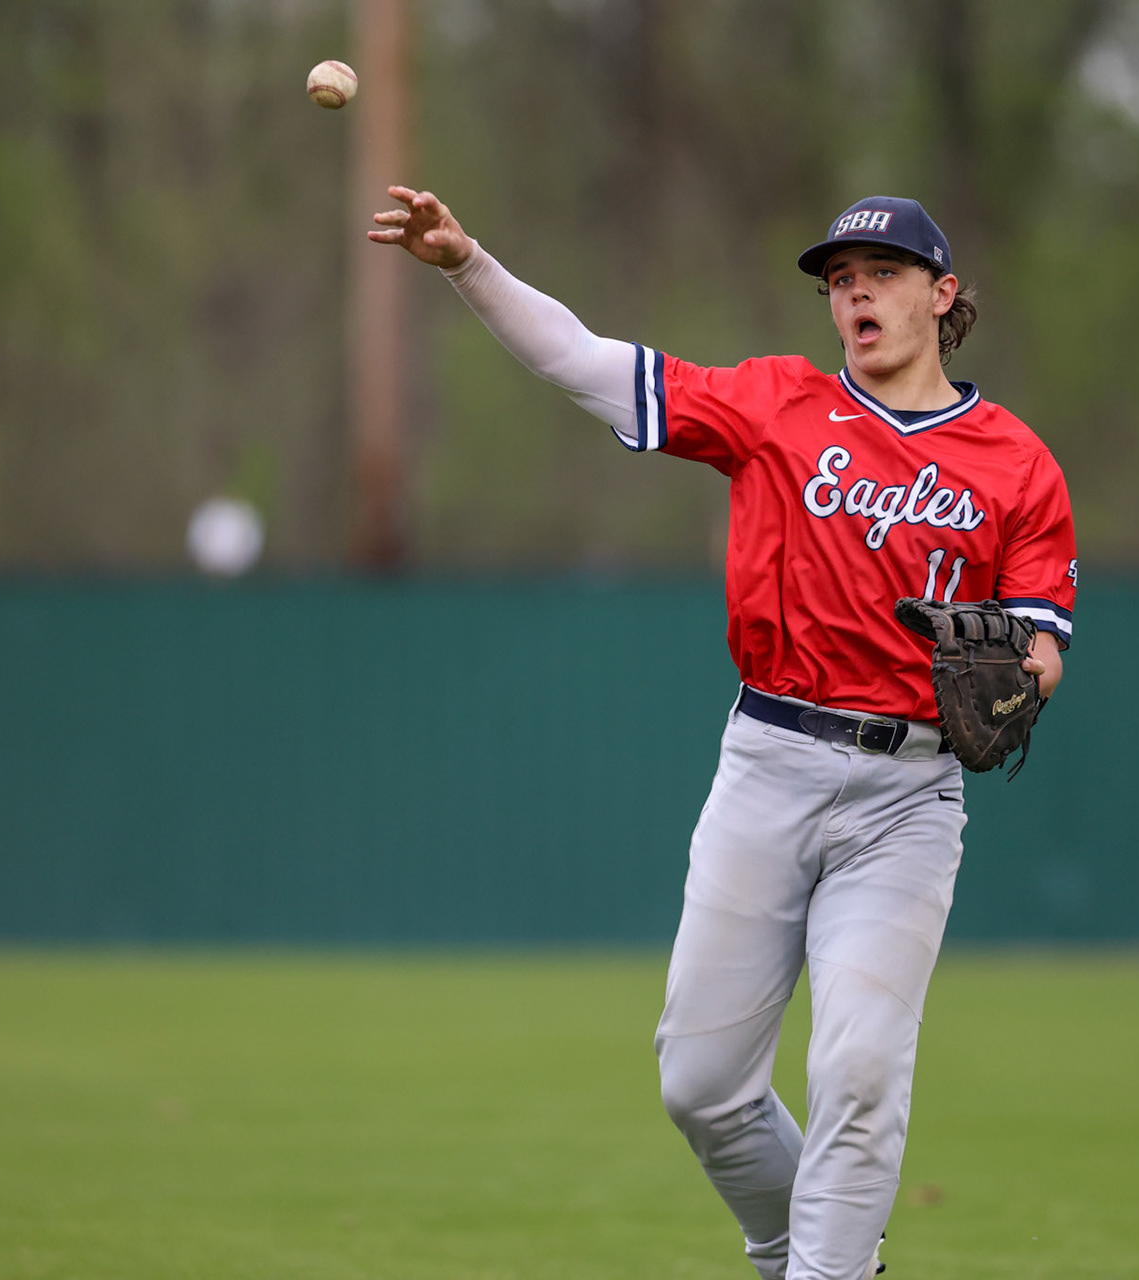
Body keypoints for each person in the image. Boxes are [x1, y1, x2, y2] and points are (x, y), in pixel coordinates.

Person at [370, 187, 1075, 1280]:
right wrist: (469, 263)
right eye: (840, 281)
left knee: (861, 1072)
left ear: (943, 295)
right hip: (770, 764)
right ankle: (799, 1245)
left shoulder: (1015, 463)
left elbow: (1041, 643)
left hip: (909, 796)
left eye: (881, 274)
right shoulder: (774, 406)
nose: (855, 296)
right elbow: (584, 362)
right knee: (702, 1087)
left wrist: (1023, 672)